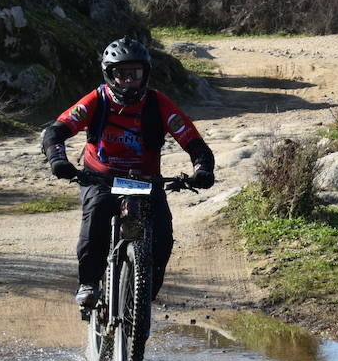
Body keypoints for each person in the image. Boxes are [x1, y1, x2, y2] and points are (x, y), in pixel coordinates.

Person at [40, 38, 215, 308]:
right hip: (100, 178)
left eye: (135, 74)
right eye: (122, 74)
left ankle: (143, 300)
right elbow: (56, 131)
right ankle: (88, 284)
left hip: (144, 182)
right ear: (110, 75)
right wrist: (58, 160)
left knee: (162, 239)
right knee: (96, 219)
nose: (129, 81)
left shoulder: (159, 103)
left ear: (145, 74)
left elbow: (193, 141)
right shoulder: (96, 100)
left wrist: (202, 168)